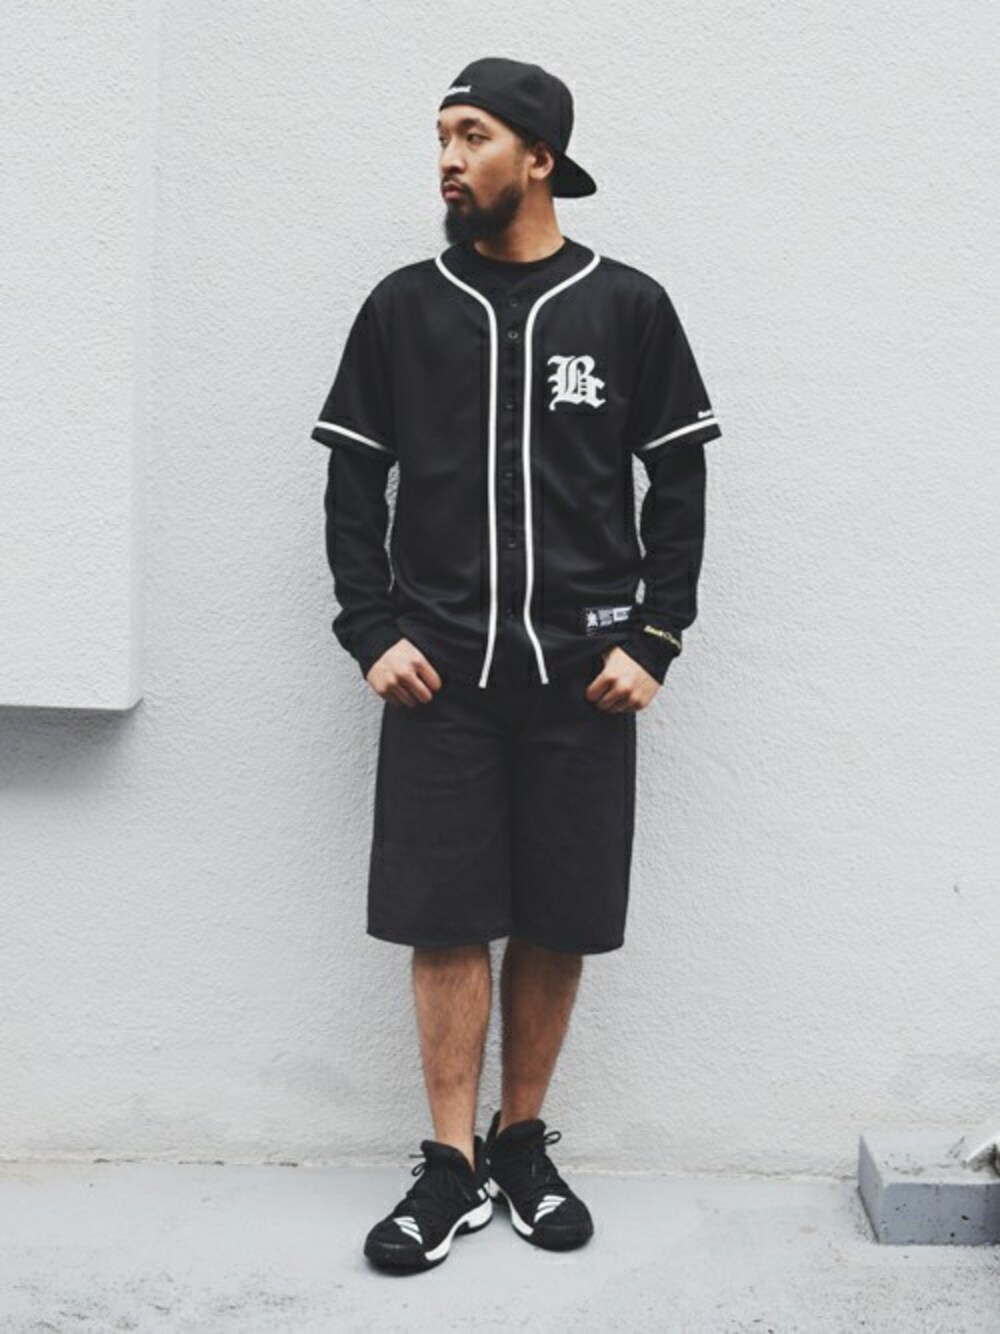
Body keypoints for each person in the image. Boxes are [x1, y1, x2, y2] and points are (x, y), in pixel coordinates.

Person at [311, 57, 724, 1271]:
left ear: (538, 158)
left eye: (473, 134)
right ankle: (450, 1164)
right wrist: (370, 628)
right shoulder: (403, 305)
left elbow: (679, 482)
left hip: (584, 675)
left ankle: (521, 1139)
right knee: (444, 918)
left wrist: (654, 635)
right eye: (441, 135)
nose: (447, 157)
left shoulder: (626, 305)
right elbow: (351, 485)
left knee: (557, 914)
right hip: (438, 671)